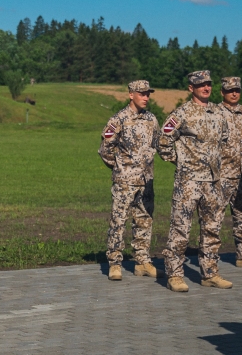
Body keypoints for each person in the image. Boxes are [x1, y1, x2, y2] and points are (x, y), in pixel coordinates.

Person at [158, 70, 232, 292]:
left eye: (208, 84)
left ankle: (210, 273)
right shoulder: (180, 114)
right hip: (188, 182)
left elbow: (224, 140)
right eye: (201, 85)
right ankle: (174, 275)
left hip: (212, 182)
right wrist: (181, 163)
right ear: (191, 88)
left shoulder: (219, 113)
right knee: (180, 229)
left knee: (212, 228)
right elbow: (163, 142)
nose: (206, 88)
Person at [98, 80, 160, 281]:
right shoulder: (119, 119)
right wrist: (119, 168)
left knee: (144, 221)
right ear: (130, 95)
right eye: (141, 93)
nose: (146, 97)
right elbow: (105, 149)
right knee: (118, 221)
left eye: (147, 94)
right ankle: (115, 263)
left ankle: (142, 261)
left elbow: (157, 144)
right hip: (125, 181)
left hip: (146, 180)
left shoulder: (152, 119)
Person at [217, 77, 242, 268]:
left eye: (237, 90)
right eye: (230, 90)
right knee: (214, 219)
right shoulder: (215, 113)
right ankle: (210, 258)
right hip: (222, 175)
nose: (234, 93)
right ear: (222, 92)